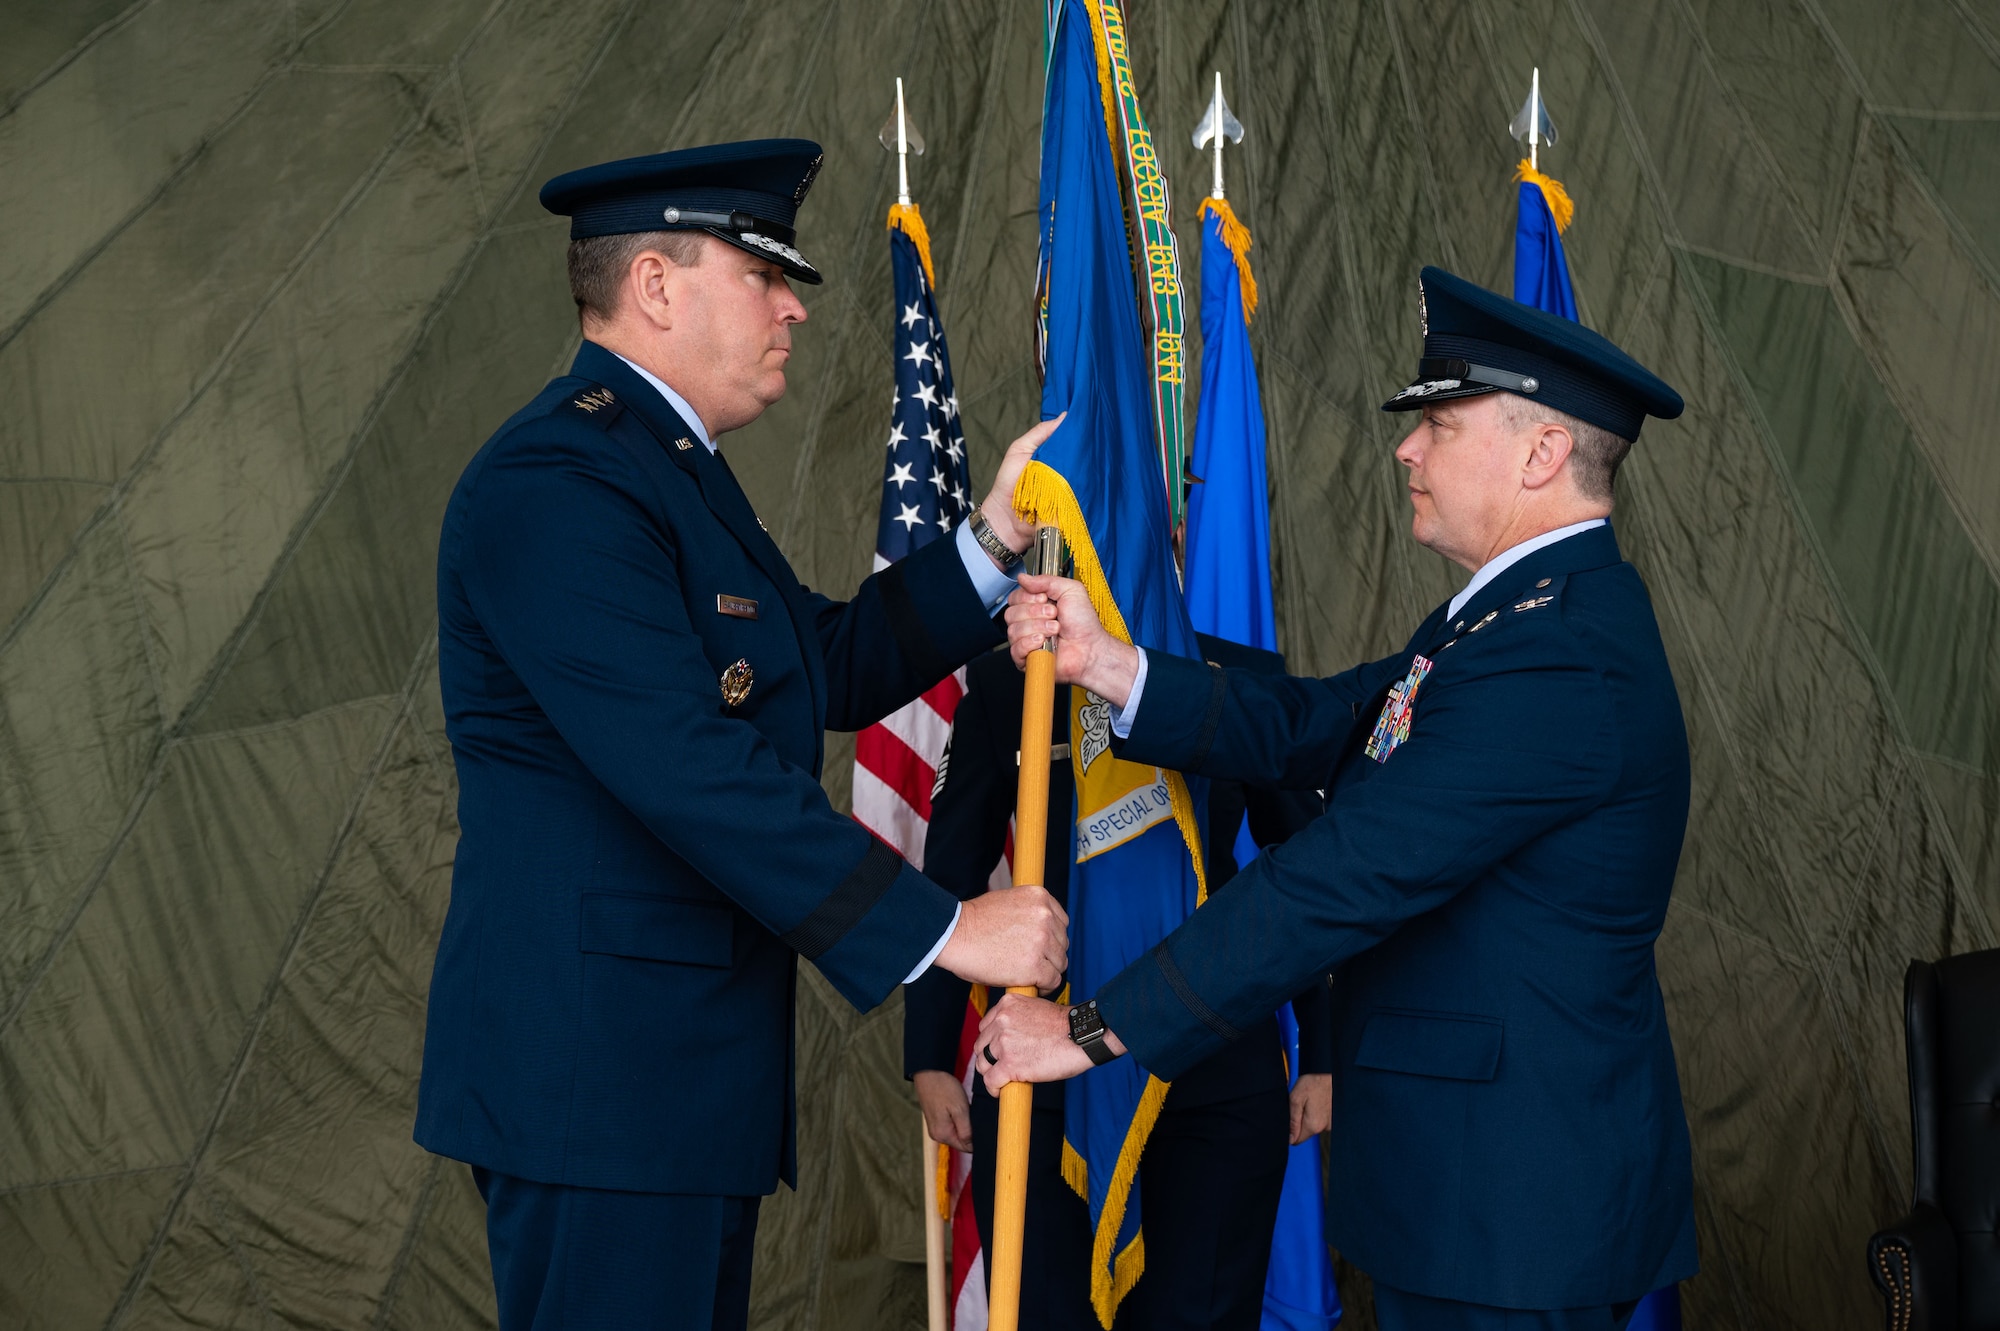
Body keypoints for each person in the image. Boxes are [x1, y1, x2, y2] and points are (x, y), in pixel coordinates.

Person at [414, 139, 1070, 1331]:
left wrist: (986, 540)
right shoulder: (558, 478)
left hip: (674, 1076)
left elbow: (810, 664)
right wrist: (943, 926)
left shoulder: (671, 469)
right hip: (595, 1077)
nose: (792, 310)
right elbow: (684, 762)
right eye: (763, 273)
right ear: (656, 286)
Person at [977, 266, 1698, 1331]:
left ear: (1541, 452)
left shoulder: (1557, 654)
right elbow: (1314, 722)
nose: (1404, 447)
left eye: (1439, 425)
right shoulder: (1499, 621)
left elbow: (1340, 872)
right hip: (1463, 1190)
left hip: (1509, 1207)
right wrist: (1114, 665)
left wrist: (1088, 1031)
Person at [905, 639, 1332, 1330]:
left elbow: (1312, 868)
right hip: (1043, 1088)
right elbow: (955, 870)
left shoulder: (1236, 677)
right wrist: (929, 1052)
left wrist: (1323, 1049)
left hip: (1213, 1075)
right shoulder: (1006, 682)